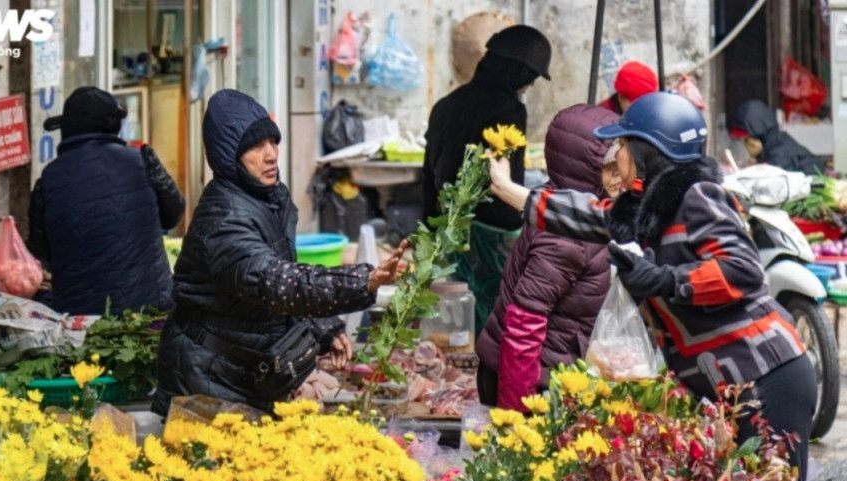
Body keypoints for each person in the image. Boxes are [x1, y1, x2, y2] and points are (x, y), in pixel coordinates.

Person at [487, 91, 819, 481]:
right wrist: (507, 187)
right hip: (729, 385)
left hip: (769, 376)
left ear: (650, 151)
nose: (615, 156)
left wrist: (668, 280)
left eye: (623, 146)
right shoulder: (644, 208)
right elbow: (584, 217)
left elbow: (740, 270)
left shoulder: (698, 196)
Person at [152, 89, 406, 416]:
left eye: (273, 142)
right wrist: (363, 280)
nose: (271, 154)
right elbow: (274, 281)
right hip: (206, 376)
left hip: (241, 368)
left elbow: (280, 275)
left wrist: (321, 326)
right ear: (230, 156)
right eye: (256, 147)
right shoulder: (224, 220)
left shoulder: (268, 197)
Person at [476, 104, 620, 410]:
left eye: (624, 162)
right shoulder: (566, 237)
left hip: (548, 373)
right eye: (610, 167)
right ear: (585, 168)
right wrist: (514, 421)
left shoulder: (563, 206)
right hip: (532, 386)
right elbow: (523, 325)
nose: (620, 176)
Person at [422, 24, 552, 335]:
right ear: (515, 70)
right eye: (531, 75)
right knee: (493, 324)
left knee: (453, 322)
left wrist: (431, 227)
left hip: (448, 228)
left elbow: (426, 175)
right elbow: (509, 184)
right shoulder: (508, 110)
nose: (531, 83)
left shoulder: (446, 104)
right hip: (492, 239)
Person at [28, 86, 184, 316]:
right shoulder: (141, 159)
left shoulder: (48, 180)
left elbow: (41, 251)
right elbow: (174, 213)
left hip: (79, 320)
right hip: (151, 311)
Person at [731, 98, 829, 175]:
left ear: (759, 134)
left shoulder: (780, 153)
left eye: (748, 138)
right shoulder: (774, 142)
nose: (746, 143)